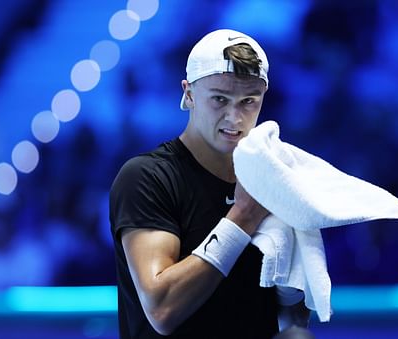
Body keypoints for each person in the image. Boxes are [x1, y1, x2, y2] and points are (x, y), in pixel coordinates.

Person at [109, 29, 310, 339]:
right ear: (188, 94)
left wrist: (292, 267)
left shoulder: (270, 177)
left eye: (248, 101)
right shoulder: (146, 177)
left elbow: (293, 313)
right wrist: (243, 216)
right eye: (219, 98)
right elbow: (161, 308)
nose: (235, 117)